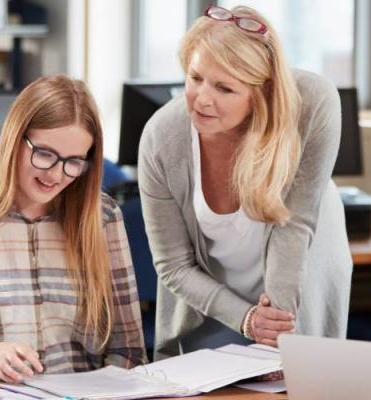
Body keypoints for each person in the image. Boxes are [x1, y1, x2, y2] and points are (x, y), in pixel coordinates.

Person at [138, 4, 352, 360]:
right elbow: (173, 264)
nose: (202, 98)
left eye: (224, 88)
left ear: (261, 93)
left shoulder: (312, 103)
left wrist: (277, 336)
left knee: (299, 382)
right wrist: (248, 320)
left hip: (297, 281)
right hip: (210, 300)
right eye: (195, 78)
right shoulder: (162, 138)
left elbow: (294, 227)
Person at [0, 74, 145, 379]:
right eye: (44, 154)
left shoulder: (103, 218)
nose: (56, 175)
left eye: (74, 161)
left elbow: (130, 352)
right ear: (15, 139)